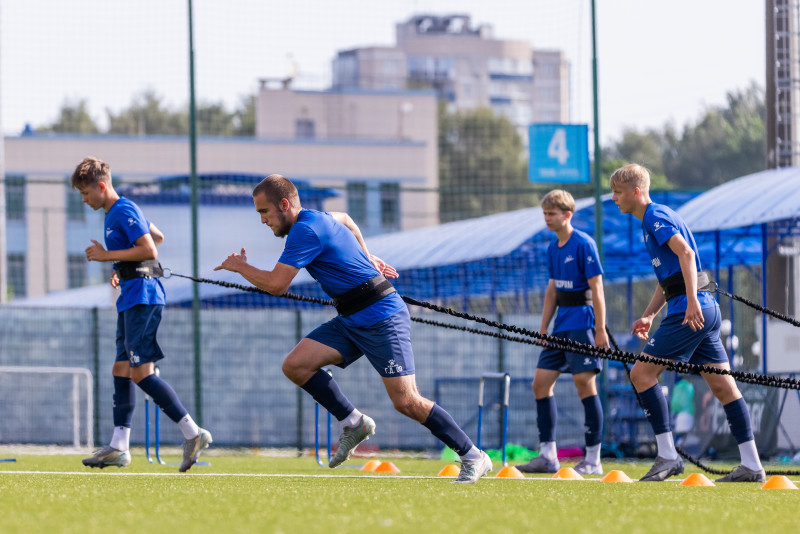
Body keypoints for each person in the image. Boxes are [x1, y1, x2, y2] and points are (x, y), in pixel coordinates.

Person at [214, 174, 492, 483]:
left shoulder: (304, 231)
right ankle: (354, 422)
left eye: (263, 212)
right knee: (296, 365)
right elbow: (346, 218)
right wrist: (366, 254)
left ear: (283, 205)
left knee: (407, 401)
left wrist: (240, 267)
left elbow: (278, 285)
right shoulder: (318, 218)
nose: (262, 220)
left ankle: (473, 455)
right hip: (351, 318)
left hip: (382, 317)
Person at [609, 163, 765, 482]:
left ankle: (667, 457)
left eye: (617, 192)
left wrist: (692, 301)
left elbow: (687, 257)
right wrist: (650, 314)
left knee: (641, 374)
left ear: (636, 192)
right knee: (723, 387)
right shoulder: (649, 221)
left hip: (691, 309)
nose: (613, 198)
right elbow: (669, 279)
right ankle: (752, 466)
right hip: (702, 309)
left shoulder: (654, 216)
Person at [71, 157, 212, 472]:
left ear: (101, 186)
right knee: (121, 369)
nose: (83, 200)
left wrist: (109, 256)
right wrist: (120, 267)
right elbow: (156, 236)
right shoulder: (117, 213)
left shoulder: (123, 210)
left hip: (144, 297)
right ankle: (119, 447)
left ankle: (193, 432)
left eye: (85, 193)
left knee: (140, 372)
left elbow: (150, 250)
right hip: (131, 296)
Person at [515, 190, 609, 476]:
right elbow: (552, 290)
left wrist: (601, 329)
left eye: (551, 214)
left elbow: (597, 288)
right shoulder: (552, 248)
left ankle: (593, 459)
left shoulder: (583, 244)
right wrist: (544, 328)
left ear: (567, 214)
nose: (547, 219)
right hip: (559, 327)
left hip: (582, 323)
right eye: (544, 214)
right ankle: (547, 456)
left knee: (585, 385)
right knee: (540, 384)